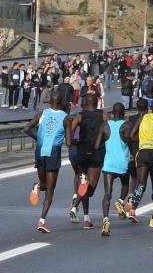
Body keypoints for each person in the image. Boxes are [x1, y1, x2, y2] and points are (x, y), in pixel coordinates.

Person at [24, 91, 72, 233]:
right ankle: (42, 221)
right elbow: (69, 143)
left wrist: (38, 139)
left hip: (40, 151)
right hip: (53, 152)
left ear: (50, 101)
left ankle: (38, 185)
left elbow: (26, 129)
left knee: (44, 183)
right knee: (50, 190)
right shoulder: (66, 118)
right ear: (62, 102)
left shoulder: (42, 114)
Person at [125, 99, 153, 227]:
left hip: (142, 153)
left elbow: (131, 135)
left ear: (150, 108)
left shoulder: (142, 118)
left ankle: (133, 202)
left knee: (141, 183)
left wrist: (142, 139)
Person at [69, 94, 108, 228]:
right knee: (90, 189)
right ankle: (78, 203)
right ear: (97, 103)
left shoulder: (79, 116)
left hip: (82, 152)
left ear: (85, 103)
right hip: (97, 152)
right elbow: (110, 131)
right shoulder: (103, 115)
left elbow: (70, 129)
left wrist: (71, 141)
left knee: (83, 183)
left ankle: (86, 218)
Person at [94, 103, 131, 236]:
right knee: (126, 184)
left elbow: (97, 146)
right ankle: (120, 201)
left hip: (109, 163)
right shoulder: (126, 126)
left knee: (107, 194)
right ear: (123, 113)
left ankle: (105, 220)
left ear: (112, 113)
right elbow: (130, 142)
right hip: (122, 163)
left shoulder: (105, 126)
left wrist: (108, 146)